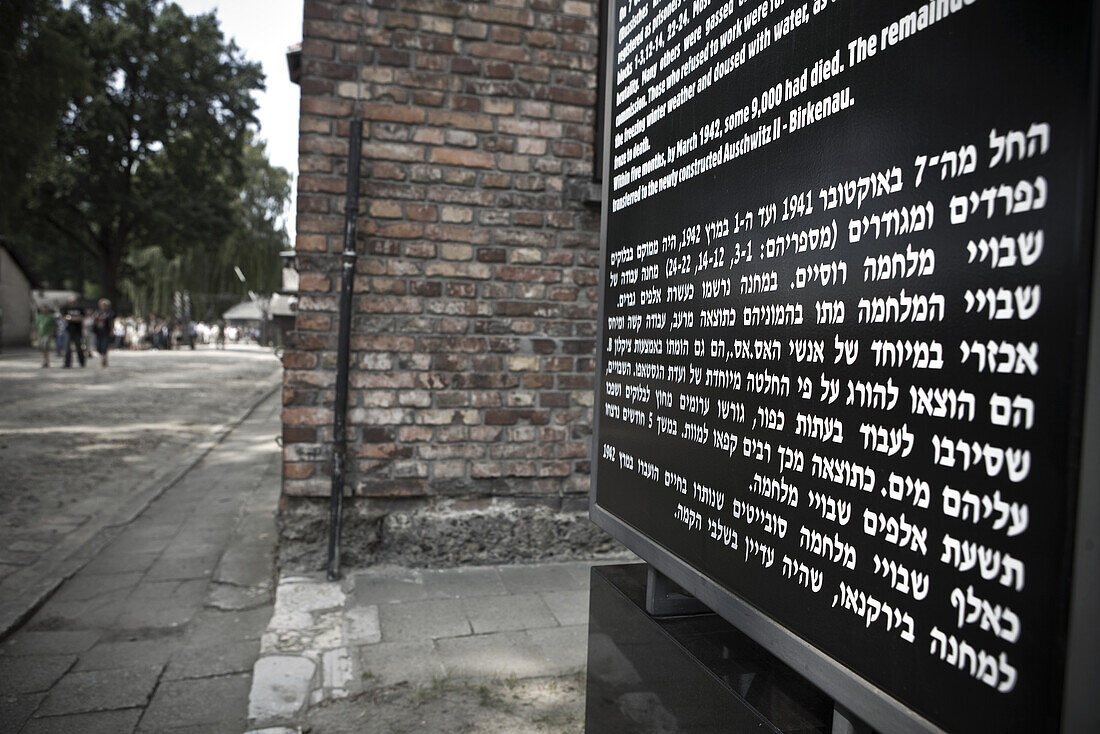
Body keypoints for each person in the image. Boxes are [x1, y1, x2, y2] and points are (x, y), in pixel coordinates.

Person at [62, 297, 85, 368]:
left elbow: (80, 318)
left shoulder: (80, 309)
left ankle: (82, 362)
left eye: (74, 302)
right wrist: (74, 318)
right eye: (71, 302)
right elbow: (64, 318)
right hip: (68, 331)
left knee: (78, 347)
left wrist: (70, 318)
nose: (72, 303)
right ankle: (67, 364)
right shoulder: (66, 309)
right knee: (67, 348)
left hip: (77, 331)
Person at [92, 298, 114, 368]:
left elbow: (111, 322)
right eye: (102, 305)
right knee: (98, 347)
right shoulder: (97, 313)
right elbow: (94, 321)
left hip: (106, 332)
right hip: (98, 332)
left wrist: (112, 330)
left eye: (105, 305)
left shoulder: (110, 313)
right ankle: (104, 358)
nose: (103, 306)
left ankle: (103, 360)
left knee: (104, 346)